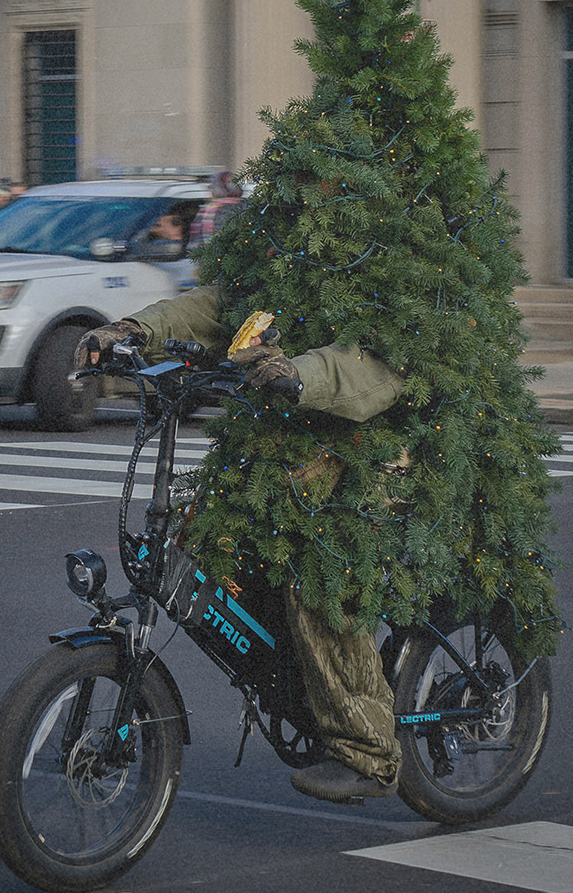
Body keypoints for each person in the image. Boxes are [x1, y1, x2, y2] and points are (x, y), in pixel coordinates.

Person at [75, 285, 405, 804]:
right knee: (212, 535)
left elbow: (384, 358)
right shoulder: (282, 226)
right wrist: (135, 331)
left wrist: (300, 373)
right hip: (294, 437)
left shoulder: (385, 229)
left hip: (378, 446)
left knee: (323, 572)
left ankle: (365, 748)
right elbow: (220, 302)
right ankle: (301, 680)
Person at [188, 170, 243, 249]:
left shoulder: (212, 209)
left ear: (219, 188)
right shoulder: (247, 206)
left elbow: (199, 239)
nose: (210, 190)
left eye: (212, 186)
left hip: (216, 255)